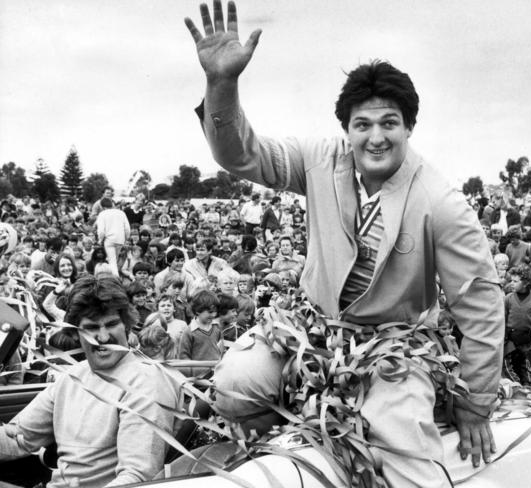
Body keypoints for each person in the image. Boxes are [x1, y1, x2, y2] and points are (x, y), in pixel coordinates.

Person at [185, 2, 503, 486]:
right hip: (312, 331)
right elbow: (241, 155)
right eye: (362, 125)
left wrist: (475, 403)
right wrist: (221, 85)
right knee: (231, 388)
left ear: (409, 126)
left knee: (402, 453)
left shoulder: (441, 201)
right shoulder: (318, 159)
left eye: (389, 123)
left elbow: (479, 303)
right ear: (347, 129)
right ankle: (299, 446)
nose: (376, 138)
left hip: (397, 348)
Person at [0, 275, 179, 487]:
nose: (103, 337)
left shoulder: (146, 382)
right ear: (75, 334)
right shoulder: (72, 377)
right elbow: (17, 439)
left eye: (111, 324)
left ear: (127, 326)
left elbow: (136, 479)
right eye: (92, 328)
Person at [95, 198, 131, 277]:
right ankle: (114, 276)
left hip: (109, 240)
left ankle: (115, 279)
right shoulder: (121, 213)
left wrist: (100, 240)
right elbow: (127, 228)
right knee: (114, 260)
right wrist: (126, 238)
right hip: (120, 239)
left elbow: (101, 231)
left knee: (112, 261)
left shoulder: (102, 214)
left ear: (102, 206)